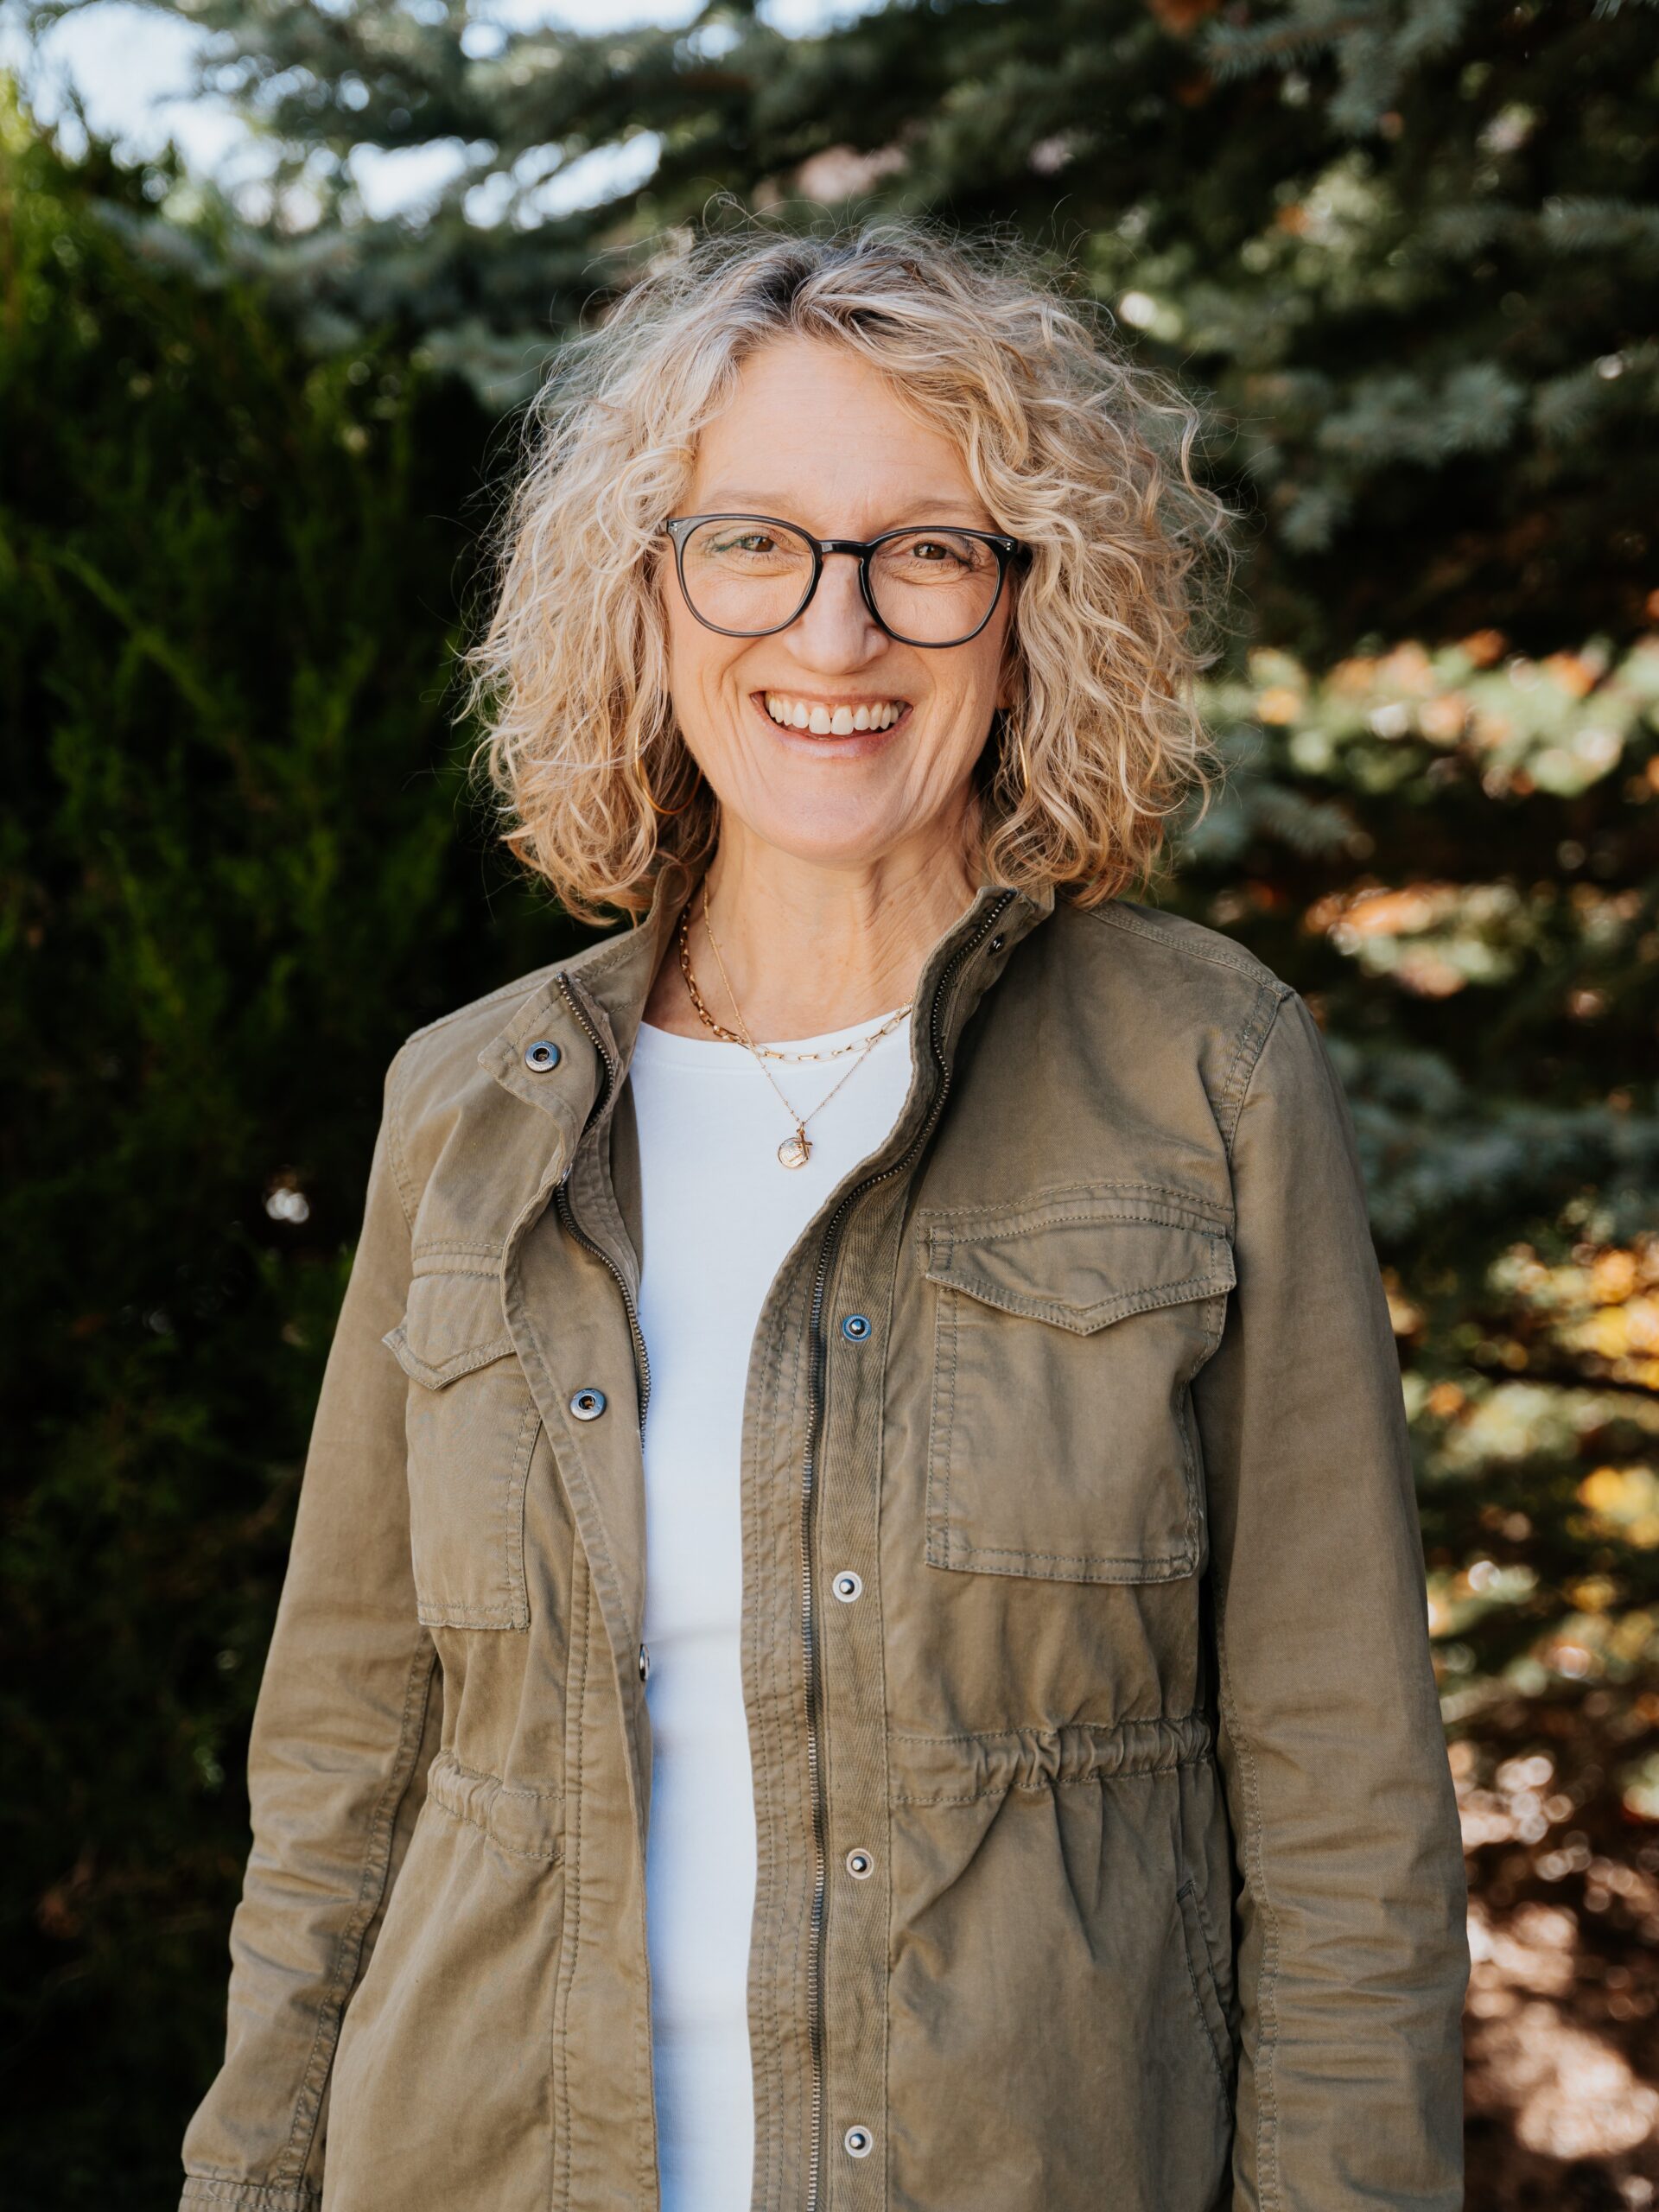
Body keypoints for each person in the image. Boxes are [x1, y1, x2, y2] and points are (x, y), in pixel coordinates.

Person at [177, 221, 1468, 2212]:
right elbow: (341, 1772)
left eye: (927, 550)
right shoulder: (468, 1104)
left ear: (1034, 605)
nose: (836, 631)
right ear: (647, 590)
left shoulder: (1206, 1073)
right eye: (753, 543)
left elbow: (1343, 1807)